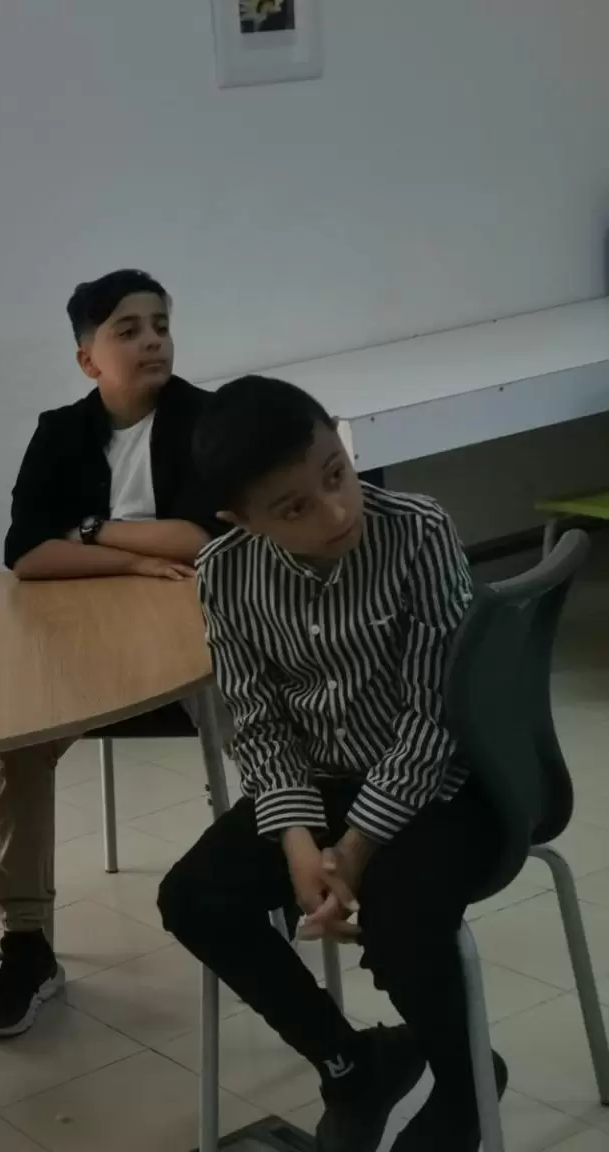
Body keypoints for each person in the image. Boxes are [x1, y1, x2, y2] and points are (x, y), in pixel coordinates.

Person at [156, 376, 504, 1152]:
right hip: (321, 781)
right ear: (240, 520)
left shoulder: (417, 530)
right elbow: (258, 719)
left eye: (335, 473)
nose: (336, 510)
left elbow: (436, 715)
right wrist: (297, 839)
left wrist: (354, 849)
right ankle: (351, 1066)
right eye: (294, 508)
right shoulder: (226, 571)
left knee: (401, 919)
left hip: (443, 785)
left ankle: (465, 1088)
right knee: (194, 898)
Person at [0, 269, 221, 1037]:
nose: (152, 342)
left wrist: (89, 531)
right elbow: (26, 554)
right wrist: (133, 559)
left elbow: (199, 537)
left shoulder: (206, 420)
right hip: (89, 645)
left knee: (251, 722)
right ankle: (26, 943)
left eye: (161, 326)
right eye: (128, 330)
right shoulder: (60, 433)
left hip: (194, 638)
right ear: (89, 359)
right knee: (17, 743)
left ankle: (275, 877)